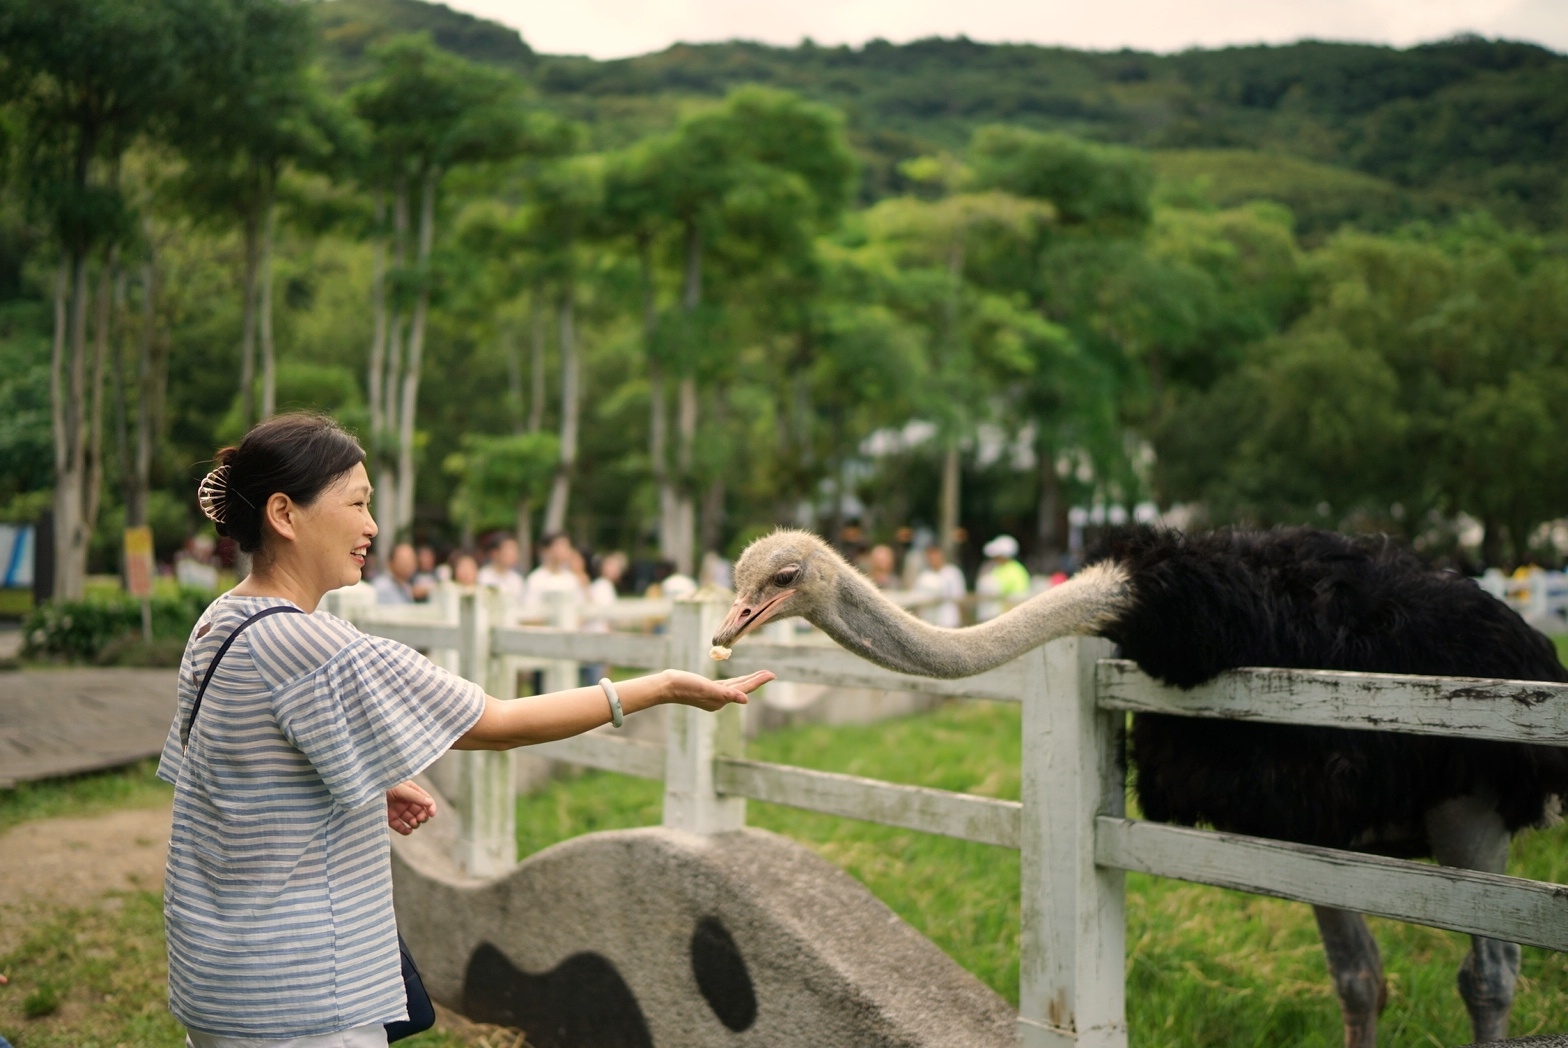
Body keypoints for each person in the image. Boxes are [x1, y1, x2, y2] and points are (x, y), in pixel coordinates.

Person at [161, 413, 773, 1048]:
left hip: (221, 980)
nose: (372, 527)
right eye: (358, 504)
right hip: (303, 996)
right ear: (285, 515)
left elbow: (234, 768)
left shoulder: (220, 621)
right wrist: (663, 687)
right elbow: (502, 722)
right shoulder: (312, 642)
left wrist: (379, 778)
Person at [975, 534, 1031, 620]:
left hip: (1009, 617)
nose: (995, 558)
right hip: (993, 615)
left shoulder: (1017, 571)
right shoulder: (995, 568)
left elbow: (1019, 597)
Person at [526, 533, 589, 607]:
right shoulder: (536, 579)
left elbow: (581, 608)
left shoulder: (571, 578)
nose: (564, 550)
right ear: (547, 549)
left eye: (567, 546)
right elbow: (530, 611)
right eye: (560, 545)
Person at [912, 543, 966, 628]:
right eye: (929, 554)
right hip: (930, 626)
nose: (932, 557)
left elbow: (960, 600)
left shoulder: (953, 573)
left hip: (951, 623)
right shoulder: (923, 577)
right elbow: (917, 603)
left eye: (935, 553)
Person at [476, 534, 525, 601]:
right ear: (495, 553)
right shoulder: (482, 576)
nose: (512, 554)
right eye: (508, 550)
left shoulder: (516, 579)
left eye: (514, 550)